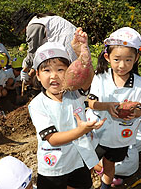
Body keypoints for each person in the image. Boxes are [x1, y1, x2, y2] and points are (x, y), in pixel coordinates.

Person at [28, 29, 105, 189]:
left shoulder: (74, 93)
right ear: (37, 74)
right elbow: (53, 139)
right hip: (54, 165)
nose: (54, 75)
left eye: (60, 69)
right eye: (47, 70)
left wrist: (84, 53)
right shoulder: (37, 105)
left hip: (78, 159)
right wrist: (81, 130)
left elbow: (86, 79)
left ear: (69, 72)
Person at [87, 27, 141, 189]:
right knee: (86, 161)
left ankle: (105, 187)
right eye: (117, 59)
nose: (122, 65)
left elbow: (140, 110)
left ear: (136, 58)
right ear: (107, 57)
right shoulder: (100, 78)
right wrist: (106, 106)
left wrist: (133, 113)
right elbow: (91, 103)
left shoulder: (139, 85)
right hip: (97, 134)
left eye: (128, 59)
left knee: (110, 165)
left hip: (120, 139)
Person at [11, 8, 77, 82]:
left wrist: (25, 70)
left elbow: (33, 51)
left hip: (68, 41)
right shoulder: (41, 19)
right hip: (74, 37)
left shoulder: (33, 26)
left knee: (71, 72)